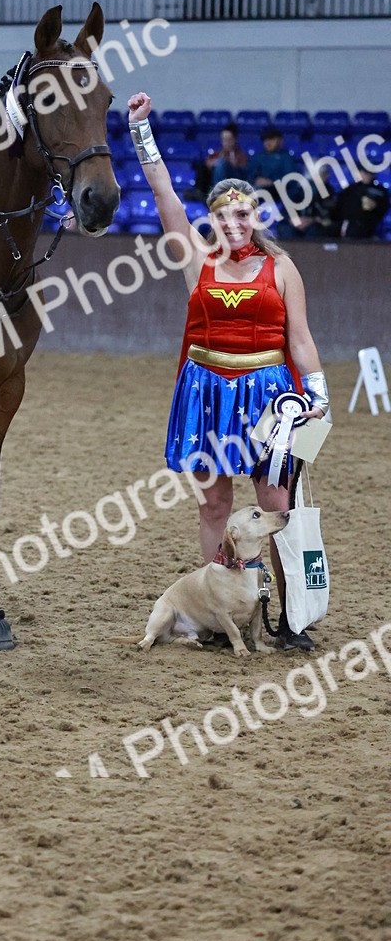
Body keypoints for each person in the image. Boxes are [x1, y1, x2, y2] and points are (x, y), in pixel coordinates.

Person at [128, 92, 331, 651]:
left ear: (256, 215)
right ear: (211, 221)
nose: (233, 224)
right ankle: (222, 620)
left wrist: (318, 400)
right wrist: (142, 133)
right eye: (221, 216)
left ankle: (290, 621)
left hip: (272, 400)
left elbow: (301, 339)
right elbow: (166, 196)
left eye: (241, 214)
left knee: (276, 509)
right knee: (214, 505)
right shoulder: (197, 260)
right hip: (206, 393)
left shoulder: (282, 267)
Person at [188, 122, 248, 202]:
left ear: (234, 139)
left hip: (231, 186)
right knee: (203, 164)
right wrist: (210, 163)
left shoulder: (241, 155)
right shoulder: (219, 153)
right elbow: (208, 162)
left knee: (221, 163)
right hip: (212, 184)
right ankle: (199, 191)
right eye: (223, 139)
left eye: (228, 140)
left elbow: (242, 172)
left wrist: (229, 163)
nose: (225, 143)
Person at [330, 165, 390, 239]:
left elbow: (385, 206)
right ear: (359, 173)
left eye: (369, 173)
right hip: (351, 226)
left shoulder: (380, 190)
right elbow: (340, 207)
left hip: (373, 226)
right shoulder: (350, 190)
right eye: (364, 173)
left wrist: (376, 206)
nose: (366, 175)